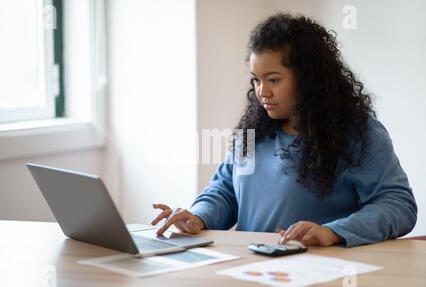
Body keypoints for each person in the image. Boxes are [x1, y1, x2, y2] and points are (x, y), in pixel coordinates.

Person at [151, 13, 417, 247]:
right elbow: (225, 190)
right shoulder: (254, 131)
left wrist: (333, 232)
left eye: (274, 80)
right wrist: (199, 216)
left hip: (318, 273)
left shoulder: (357, 132)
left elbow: (398, 204)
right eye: (256, 80)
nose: (262, 92)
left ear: (308, 78)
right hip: (250, 269)